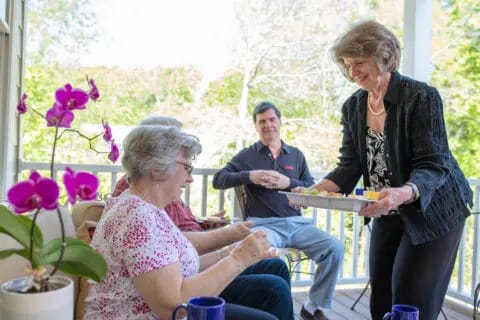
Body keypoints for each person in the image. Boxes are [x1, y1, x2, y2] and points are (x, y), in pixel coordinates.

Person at [305, 20, 473, 320]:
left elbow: (434, 164)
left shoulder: (421, 97)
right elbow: (350, 165)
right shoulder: (354, 107)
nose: (352, 72)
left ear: (383, 57)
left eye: (359, 63)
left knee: (409, 302)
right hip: (387, 209)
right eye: (347, 64)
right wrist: (310, 191)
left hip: (433, 210)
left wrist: (404, 192)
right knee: (381, 299)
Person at [84, 125, 294, 320]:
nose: (190, 179)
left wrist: (231, 252)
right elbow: (173, 307)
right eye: (187, 168)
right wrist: (239, 258)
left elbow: (174, 265)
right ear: (156, 169)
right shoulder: (138, 218)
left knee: (272, 288)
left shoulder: (145, 207)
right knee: (271, 305)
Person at [213, 101, 344, 320]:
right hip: (264, 225)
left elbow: (310, 187)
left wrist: (289, 182)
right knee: (271, 259)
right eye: (261, 121)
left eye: (271, 119)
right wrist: (249, 176)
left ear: (280, 121)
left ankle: (313, 306)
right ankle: (274, 307)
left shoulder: (296, 155)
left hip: (298, 225)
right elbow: (219, 179)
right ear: (255, 126)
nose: (267, 125)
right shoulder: (247, 156)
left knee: (335, 247)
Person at [112, 115, 226, 231]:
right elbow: (172, 237)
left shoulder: (160, 186)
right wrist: (228, 234)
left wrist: (204, 224)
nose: (190, 179)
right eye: (175, 141)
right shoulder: (141, 192)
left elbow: (175, 232)